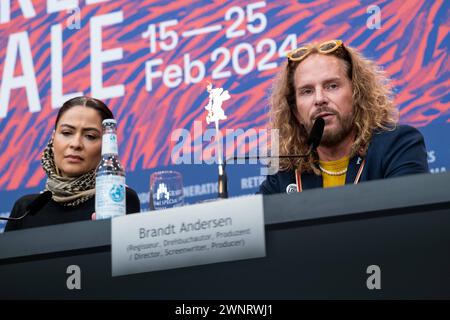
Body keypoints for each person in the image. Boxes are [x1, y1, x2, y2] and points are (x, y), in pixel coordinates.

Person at [259, 39, 429, 194]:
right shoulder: (285, 173)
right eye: (307, 91)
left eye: (332, 86)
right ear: (296, 113)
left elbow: (407, 221)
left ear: (356, 95)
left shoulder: (397, 146)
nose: (319, 99)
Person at [5, 96, 140, 231]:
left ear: (106, 145)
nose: (75, 144)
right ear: (53, 139)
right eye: (67, 132)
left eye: (90, 136)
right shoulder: (26, 210)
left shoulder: (118, 200)